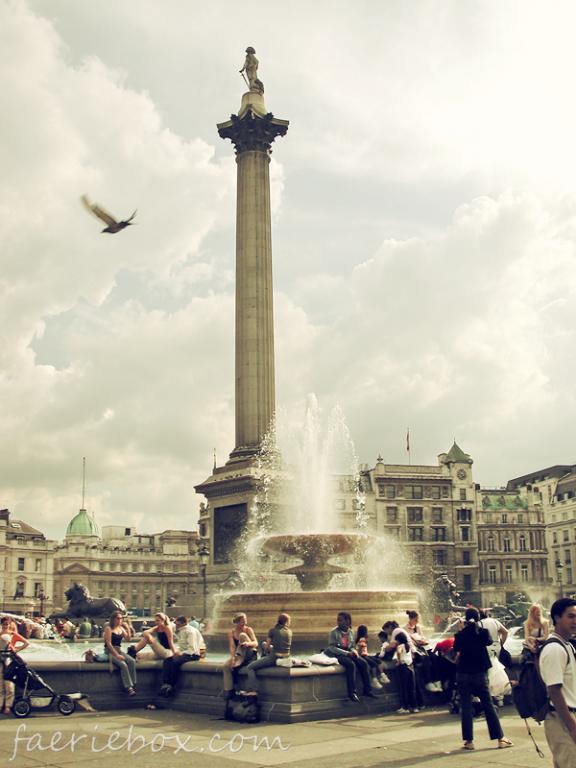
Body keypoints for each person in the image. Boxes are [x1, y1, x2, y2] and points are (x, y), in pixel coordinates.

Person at [453, 607, 512, 750]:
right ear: (479, 619)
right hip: (480, 673)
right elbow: (489, 641)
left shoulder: (460, 635)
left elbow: (456, 648)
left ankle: (469, 742)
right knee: (488, 705)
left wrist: (461, 629)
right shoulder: (482, 633)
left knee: (466, 707)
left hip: (463, 673)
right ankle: (500, 739)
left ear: (466, 619)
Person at [539, 597, 576, 767]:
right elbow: (554, 691)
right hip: (561, 718)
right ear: (556, 618)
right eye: (571, 616)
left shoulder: (567, 645)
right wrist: (572, 727)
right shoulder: (554, 649)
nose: (575, 621)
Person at [326, 612, 375, 702]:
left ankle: (368, 690)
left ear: (347, 621)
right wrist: (346, 653)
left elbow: (352, 646)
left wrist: (354, 651)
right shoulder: (333, 632)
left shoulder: (351, 631)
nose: (338, 622)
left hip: (349, 653)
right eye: (338, 620)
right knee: (351, 665)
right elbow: (331, 647)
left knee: (364, 663)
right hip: (337, 654)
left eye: (340, 620)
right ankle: (352, 693)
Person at [243, 613, 292, 694]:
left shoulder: (272, 631)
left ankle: (253, 689)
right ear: (286, 622)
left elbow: (267, 647)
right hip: (286, 657)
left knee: (249, 668)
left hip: (274, 658)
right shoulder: (289, 631)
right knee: (264, 645)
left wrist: (266, 648)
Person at [159, 615, 204, 697]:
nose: (176, 625)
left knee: (175, 662)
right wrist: (177, 652)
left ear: (182, 623)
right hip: (184, 653)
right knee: (167, 661)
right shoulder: (181, 630)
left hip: (192, 655)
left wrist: (180, 654)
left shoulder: (190, 631)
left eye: (177, 624)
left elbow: (192, 649)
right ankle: (166, 684)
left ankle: (172, 685)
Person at [381, 620, 419, 713]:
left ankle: (405, 707)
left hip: (402, 667)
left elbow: (397, 652)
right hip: (410, 666)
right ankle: (414, 707)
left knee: (403, 688)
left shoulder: (399, 643)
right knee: (411, 688)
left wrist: (399, 661)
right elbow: (412, 655)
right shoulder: (407, 645)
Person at [222, 613, 258, 698]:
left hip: (249, 654)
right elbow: (232, 646)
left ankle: (238, 661)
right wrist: (233, 657)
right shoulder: (231, 632)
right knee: (226, 666)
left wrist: (248, 643)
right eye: (242, 622)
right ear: (237, 622)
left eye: (245, 621)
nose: (244, 623)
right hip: (238, 655)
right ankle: (229, 690)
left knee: (242, 635)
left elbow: (256, 643)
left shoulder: (248, 629)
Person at [0, 616, 29, 714]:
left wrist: (16, 649)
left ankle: (8, 706)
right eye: (3, 624)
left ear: (9, 625)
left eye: (7, 624)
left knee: (9, 684)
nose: (5, 626)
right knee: (0, 684)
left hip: (9, 661)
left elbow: (26, 643)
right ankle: (0, 705)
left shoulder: (13, 634)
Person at [103, 610, 137, 696]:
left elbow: (128, 639)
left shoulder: (121, 628)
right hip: (110, 652)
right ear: (113, 619)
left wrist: (128, 628)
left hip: (119, 650)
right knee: (123, 665)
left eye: (121, 619)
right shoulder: (108, 628)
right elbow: (109, 644)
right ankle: (129, 688)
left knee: (132, 661)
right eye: (118, 618)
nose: (120, 620)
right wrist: (117, 655)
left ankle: (132, 684)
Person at [355, 624, 388, 689]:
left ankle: (382, 675)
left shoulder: (361, 639)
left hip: (365, 655)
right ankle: (374, 680)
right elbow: (360, 649)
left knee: (378, 661)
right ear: (364, 632)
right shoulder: (362, 639)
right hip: (362, 656)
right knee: (374, 664)